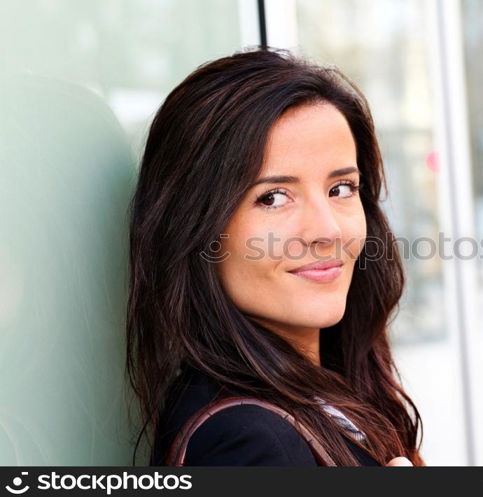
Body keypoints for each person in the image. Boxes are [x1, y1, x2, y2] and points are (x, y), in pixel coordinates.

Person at [126, 46, 424, 466]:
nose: (328, 231)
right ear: (194, 227)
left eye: (341, 189)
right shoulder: (246, 441)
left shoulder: (329, 389)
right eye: (273, 198)